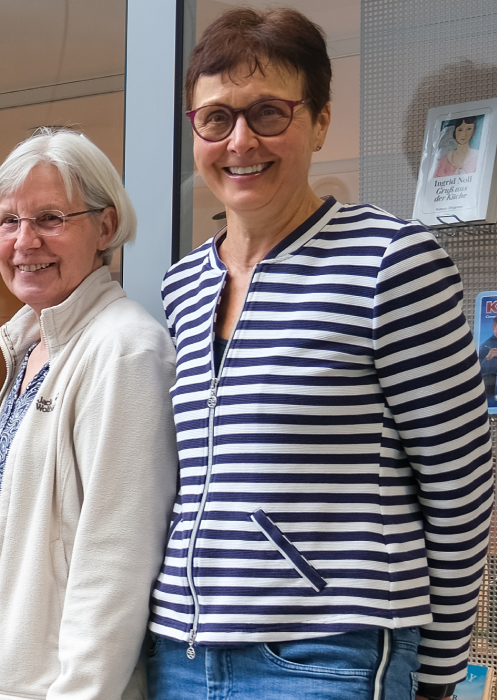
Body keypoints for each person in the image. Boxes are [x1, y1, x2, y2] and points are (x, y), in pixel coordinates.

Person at [153, 9, 494, 700]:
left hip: (325, 654)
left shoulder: (391, 264)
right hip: (179, 655)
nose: (240, 140)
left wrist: (439, 671)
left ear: (321, 121)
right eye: (216, 118)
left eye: (269, 113)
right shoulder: (182, 285)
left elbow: (461, 488)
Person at [0, 129, 176, 699]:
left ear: (105, 227)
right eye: (8, 221)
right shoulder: (32, 346)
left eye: (50, 218)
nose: (24, 241)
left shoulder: (125, 350)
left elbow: (116, 567)